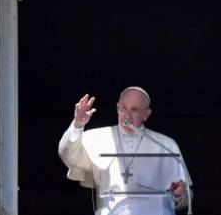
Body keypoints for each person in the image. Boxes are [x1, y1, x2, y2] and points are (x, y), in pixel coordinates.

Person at [58, 86, 193, 215]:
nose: (127, 115)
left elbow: (186, 199)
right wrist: (77, 125)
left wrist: (179, 195)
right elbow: (69, 155)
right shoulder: (97, 138)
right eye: (123, 108)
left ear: (146, 114)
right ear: (117, 107)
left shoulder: (165, 145)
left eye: (134, 110)